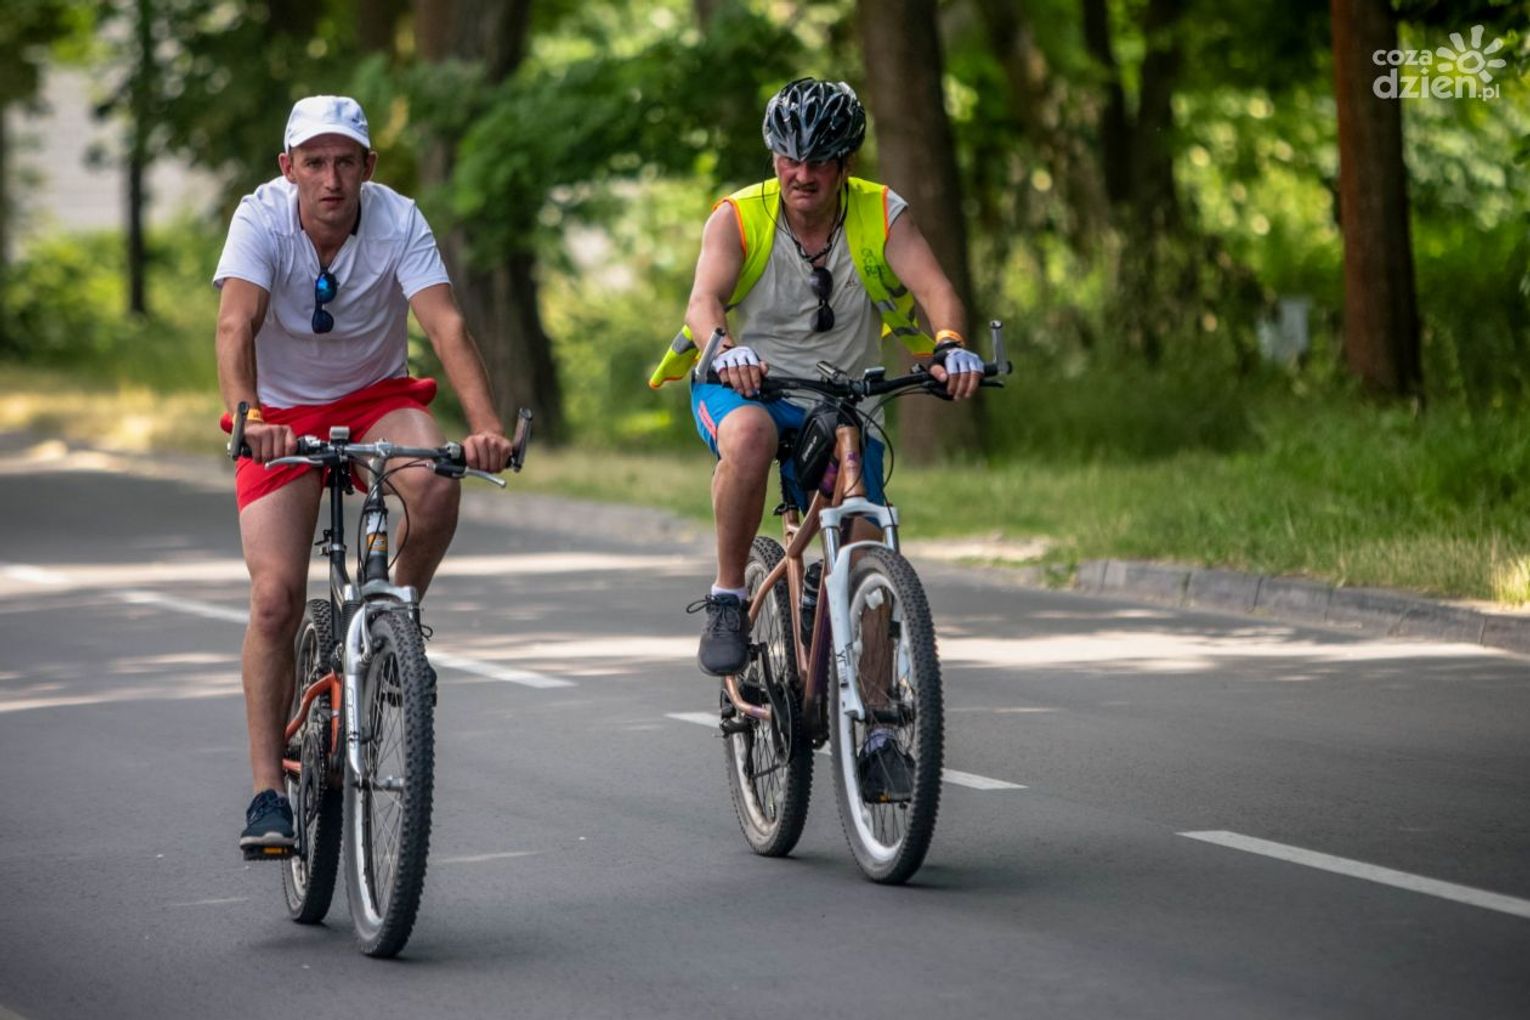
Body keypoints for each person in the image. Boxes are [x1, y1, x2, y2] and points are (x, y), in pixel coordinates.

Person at [215, 95, 514, 857]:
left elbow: (445, 324)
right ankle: (267, 794)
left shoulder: (398, 218)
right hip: (279, 415)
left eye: (346, 162)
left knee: (437, 482)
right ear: (288, 169)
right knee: (275, 600)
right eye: (314, 163)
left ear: (368, 166)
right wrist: (249, 416)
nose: (331, 179)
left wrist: (486, 428)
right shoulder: (260, 219)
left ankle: (393, 626)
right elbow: (235, 324)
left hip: (377, 397)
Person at [648, 77, 984, 685]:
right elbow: (703, 301)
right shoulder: (738, 217)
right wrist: (727, 349)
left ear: (846, 162)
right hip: (747, 386)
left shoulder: (882, 212)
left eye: (819, 161)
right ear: (774, 155)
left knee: (865, 548)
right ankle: (728, 597)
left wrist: (951, 344)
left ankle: (877, 716)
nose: (801, 174)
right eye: (788, 158)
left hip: (843, 399)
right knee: (749, 436)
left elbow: (937, 291)